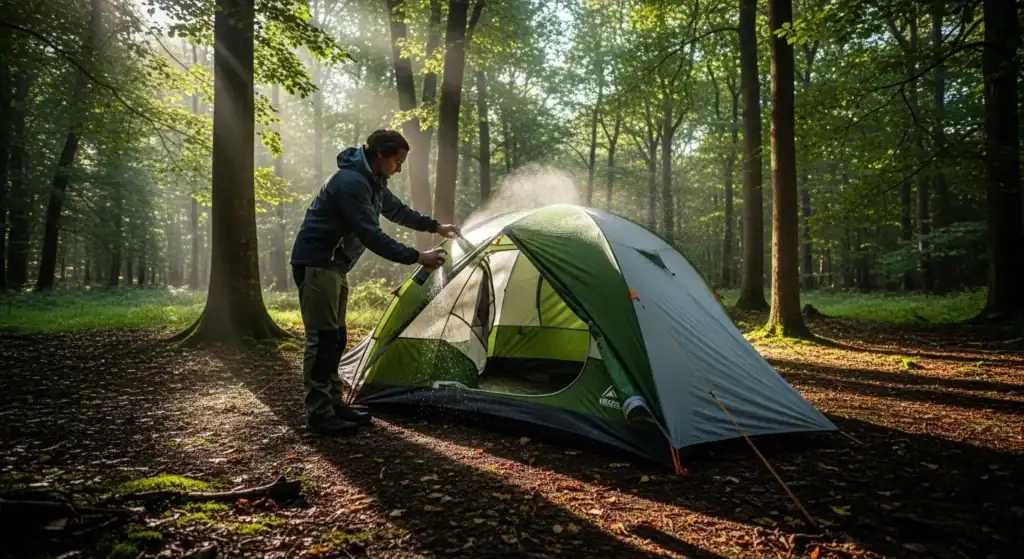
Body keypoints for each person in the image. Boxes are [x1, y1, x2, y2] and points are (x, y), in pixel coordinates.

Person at [290, 129, 459, 436]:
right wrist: (417, 257)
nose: (400, 167)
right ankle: (319, 415)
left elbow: (398, 211)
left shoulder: (372, 181)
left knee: (336, 338)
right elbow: (371, 235)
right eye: (398, 160)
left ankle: (334, 404)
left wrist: (436, 226)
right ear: (381, 155)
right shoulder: (351, 183)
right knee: (323, 340)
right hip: (316, 264)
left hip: (333, 266)